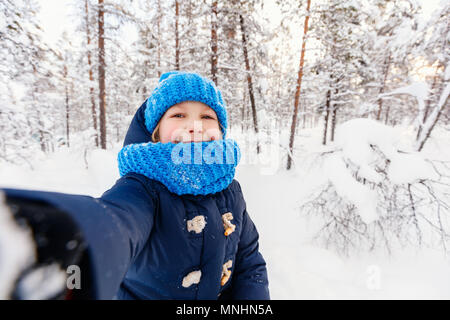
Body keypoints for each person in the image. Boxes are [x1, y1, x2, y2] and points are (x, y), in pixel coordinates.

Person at [0, 71, 269, 300]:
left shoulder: (231, 190)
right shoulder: (142, 188)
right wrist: (69, 237)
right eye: (178, 115)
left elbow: (249, 259)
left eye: (207, 117)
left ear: (221, 131)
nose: (195, 126)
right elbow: (117, 221)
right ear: (156, 133)